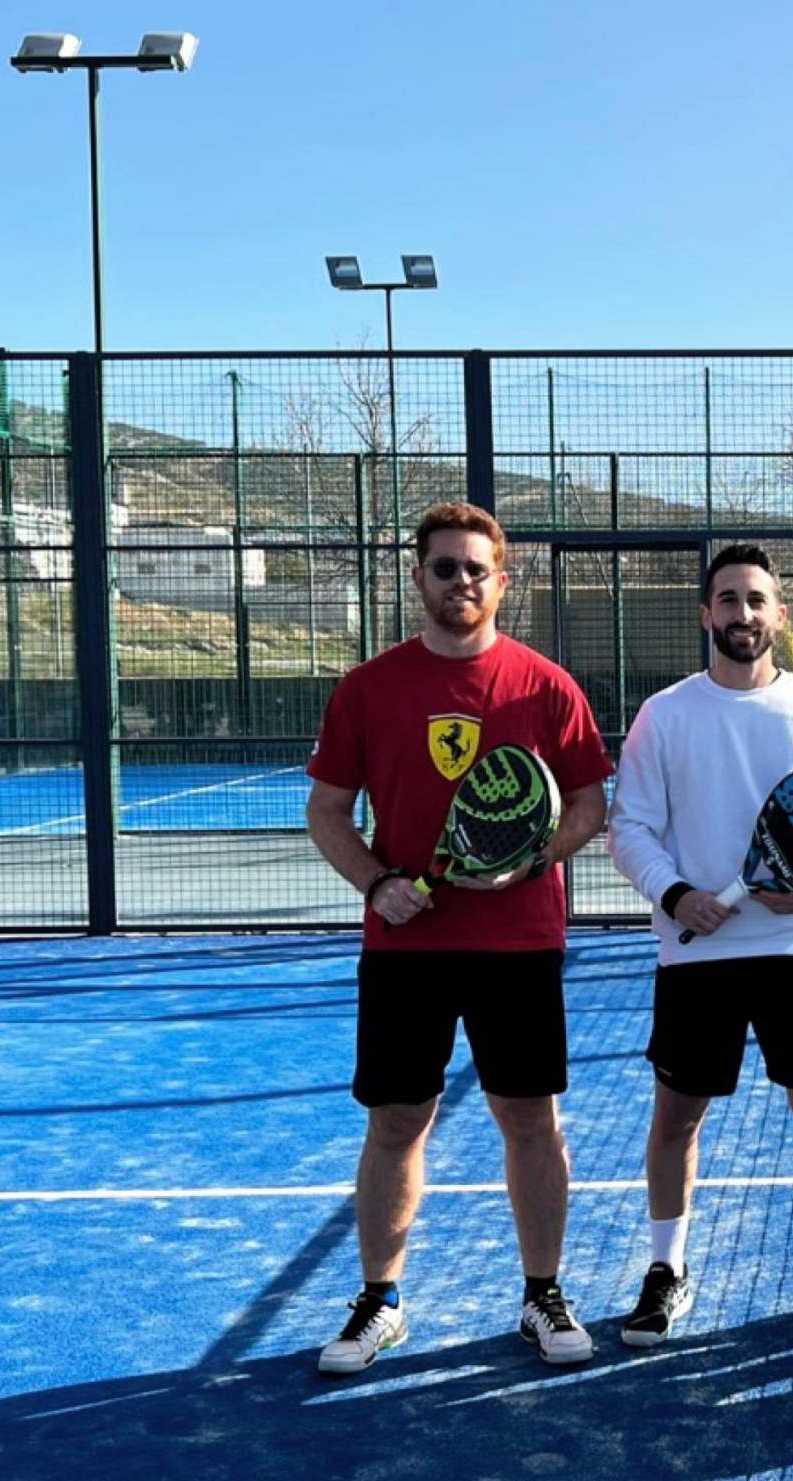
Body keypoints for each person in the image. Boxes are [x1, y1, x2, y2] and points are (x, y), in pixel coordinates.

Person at [304, 501, 613, 1373]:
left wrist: (531, 858)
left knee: (530, 1119)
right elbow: (327, 812)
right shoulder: (368, 689)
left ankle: (543, 1292)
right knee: (397, 1119)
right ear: (418, 578)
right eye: (445, 567)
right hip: (405, 949)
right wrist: (378, 883)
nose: (461, 582)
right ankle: (379, 1300)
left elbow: (590, 803)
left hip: (520, 944)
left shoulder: (546, 686)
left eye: (477, 569)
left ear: (502, 581)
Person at [606, 544, 793, 1348]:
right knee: (676, 1117)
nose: (743, 613)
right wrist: (677, 895)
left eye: (757, 599)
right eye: (728, 599)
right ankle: (666, 1269)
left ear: (780, 615)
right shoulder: (665, 714)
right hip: (695, 957)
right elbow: (630, 828)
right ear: (706, 614)